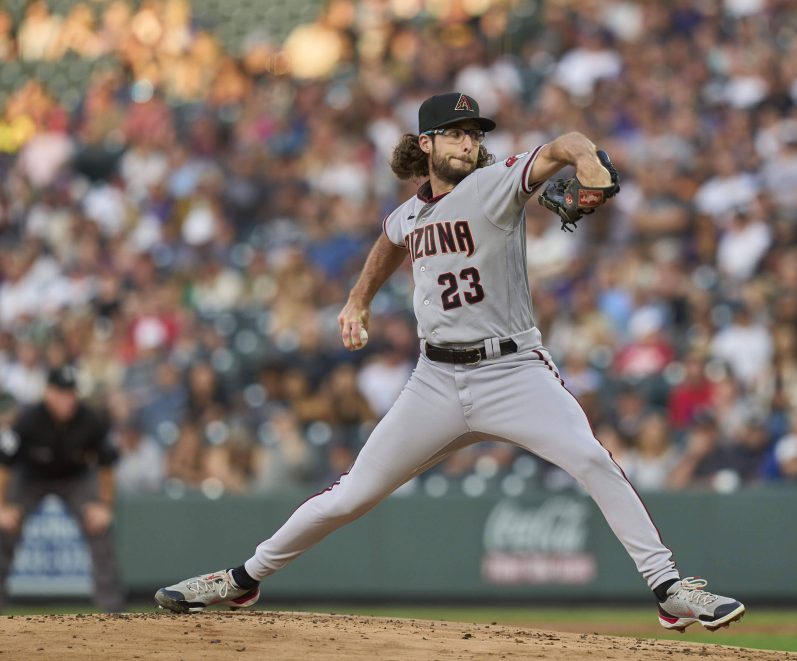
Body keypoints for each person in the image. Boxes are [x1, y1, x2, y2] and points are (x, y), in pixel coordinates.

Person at [154, 92, 744, 632]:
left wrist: (587, 163)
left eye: (473, 133)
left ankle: (667, 588)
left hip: (514, 372)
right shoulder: (409, 214)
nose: (468, 142)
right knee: (349, 496)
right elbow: (389, 241)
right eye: (455, 133)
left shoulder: (496, 183)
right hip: (435, 379)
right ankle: (240, 580)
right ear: (427, 144)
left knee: (591, 458)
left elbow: (564, 146)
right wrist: (357, 300)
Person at [0, 367, 125, 612]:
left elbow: (106, 465)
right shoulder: (29, 419)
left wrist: (105, 505)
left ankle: (113, 611)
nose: (68, 399)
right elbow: (4, 465)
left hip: (75, 478)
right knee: (4, 528)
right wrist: (2, 506)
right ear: (48, 393)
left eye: (71, 393)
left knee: (99, 526)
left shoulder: (90, 419)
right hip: (31, 478)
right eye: (61, 393)